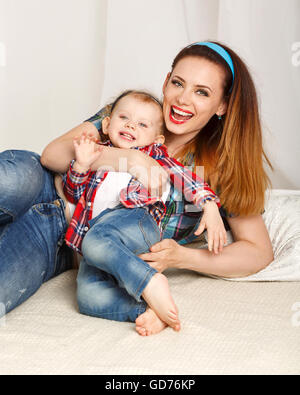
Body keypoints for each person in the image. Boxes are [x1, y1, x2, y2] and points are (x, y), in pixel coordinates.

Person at [0, 41, 274, 334]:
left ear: (222, 105)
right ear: (166, 82)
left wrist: (183, 258)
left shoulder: (218, 167)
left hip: (60, 241)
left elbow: (258, 251)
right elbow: (52, 155)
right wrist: (130, 159)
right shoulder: (134, 112)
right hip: (44, 186)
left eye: (201, 92)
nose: (183, 99)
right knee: (9, 179)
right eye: (178, 83)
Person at [63, 89, 225, 332]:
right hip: (103, 241)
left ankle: (151, 281)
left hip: (137, 223)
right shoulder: (99, 155)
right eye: (124, 118)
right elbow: (73, 194)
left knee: (95, 239)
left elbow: (186, 178)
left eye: (142, 124)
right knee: (87, 297)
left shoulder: (154, 157)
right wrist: (81, 165)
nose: (131, 127)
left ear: (157, 139)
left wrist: (209, 205)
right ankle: (149, 312)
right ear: (107, 124)